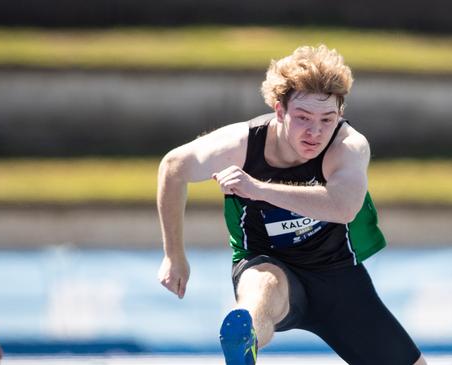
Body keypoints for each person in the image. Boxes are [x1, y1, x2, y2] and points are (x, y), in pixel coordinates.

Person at [157, 45, 426, 365]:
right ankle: (245, 342)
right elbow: (173, 167)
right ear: (279, 110)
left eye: (327, 119)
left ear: (340, 114)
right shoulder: (240, 145)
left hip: (337, 273)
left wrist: (258, 189)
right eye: (303, 118)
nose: (315, 132)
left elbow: (343, 207)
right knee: (262, 290)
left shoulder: (348, 147)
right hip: (265, 259)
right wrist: (174, 255)